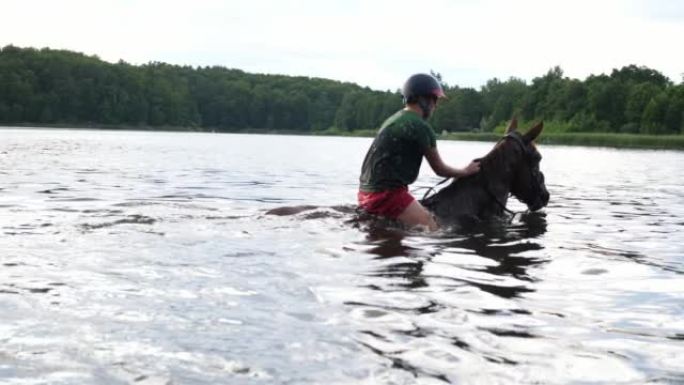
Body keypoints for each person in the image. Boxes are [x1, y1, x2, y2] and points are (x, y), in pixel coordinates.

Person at [357, 73, 481, 230]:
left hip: (365, 194)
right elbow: (440, 170)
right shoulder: (420, 127)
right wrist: (466, 171)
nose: (435, 106)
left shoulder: (394, 119)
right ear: (425, 100)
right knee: (433, 228)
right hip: (388, 196)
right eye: (434, 100)